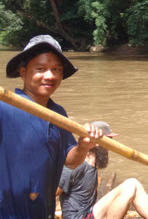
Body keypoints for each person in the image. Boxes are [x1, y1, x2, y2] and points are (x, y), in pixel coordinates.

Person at [0, 35, 104, 219]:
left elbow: (71, 161)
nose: (50, 76)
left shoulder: (58, 114)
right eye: (40, 69)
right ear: (23, 72)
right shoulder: (5, 107)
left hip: (42, 212)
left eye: (56, 69)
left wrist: (83, 146)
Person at [57, 121, 148, 219]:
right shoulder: (76, 164)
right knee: (129, 188)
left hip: (90, 213)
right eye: (109, 141)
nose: (110, 147)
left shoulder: (92, 162)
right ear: (95, 143)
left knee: (134, 183)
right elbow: (54, 191)